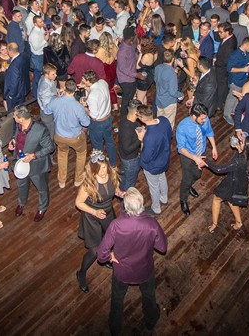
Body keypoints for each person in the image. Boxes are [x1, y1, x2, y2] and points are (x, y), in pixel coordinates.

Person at [96, 187, 167, 335]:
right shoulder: (151, 224)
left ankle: (115, 327)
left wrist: (110, 257)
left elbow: (101, 254)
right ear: (141, 204)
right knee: (148, 295)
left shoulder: (116, 225)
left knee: (117, 299)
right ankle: (151, 320)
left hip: (122, 271)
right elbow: (162, 247)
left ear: (126, 207)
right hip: (144, 270)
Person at [74, 150, 117, 293]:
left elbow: (114, 189)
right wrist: (94, 212)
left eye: (104, 167)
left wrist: (120, 193)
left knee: (109, 240)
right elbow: (78, 203)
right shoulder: (88, 184)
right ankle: (81, 273)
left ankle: (104, 258)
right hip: (92, 217)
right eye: (99, 170)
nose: (103, 172)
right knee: (94, 251)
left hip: (108, 213)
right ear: (93, 171)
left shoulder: (111, 175)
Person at [7, 105, 55, 221]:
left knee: (41, 187)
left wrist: (33, 156)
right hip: (20, 162)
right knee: (21, 184)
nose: (13, 117)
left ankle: (42, 207)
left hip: (36, 165)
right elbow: (17, 136)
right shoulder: (19, 125)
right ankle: (21, 203)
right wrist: (13, 142)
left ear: (21, 118)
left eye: (15, 116)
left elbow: (50, 147)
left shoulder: (40, 130)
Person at [206, 135, 249, 233]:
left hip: (231, 183)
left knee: (216, 199)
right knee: (232, 200)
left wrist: (206, 160)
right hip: (241, 183)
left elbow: (218, 170)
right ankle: (239, 223)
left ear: (246, 148)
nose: (240, 142)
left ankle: (214, 225)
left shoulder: (238, 161)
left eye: (242, 142)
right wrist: (240, 149)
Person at [43, 79, 91, 189]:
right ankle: (78, 179)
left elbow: (46, 111)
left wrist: (57, 98)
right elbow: (86, 122)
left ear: (64, 88)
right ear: (75, 90)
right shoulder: (78, 106)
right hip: (75, 137)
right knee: (81, 154)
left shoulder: (56, 101)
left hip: (59, 136)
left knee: (62, 155)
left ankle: (62, 180)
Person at [175, 103, 218, 216]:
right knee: (186, 179)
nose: (205, 120)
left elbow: (209, 132)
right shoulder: (183, 127)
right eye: (202, 118)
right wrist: (195, 158)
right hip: (188, 156)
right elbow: (181, 148)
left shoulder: (205, 119)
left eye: (205, 117)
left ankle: (189, 186)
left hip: (201, 153)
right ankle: (183, 199)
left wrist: (214, 147)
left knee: (198, 175)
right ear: (194, 116)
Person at [136, 106, 173, 216]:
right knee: (162, 178)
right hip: (164, 160)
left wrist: (142, 140)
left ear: (142, 118)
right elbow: (170, 134)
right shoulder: (164, 120)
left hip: (152, 166)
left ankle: (156, 208)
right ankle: (164, 198)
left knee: (154, 187)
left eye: (138, 115)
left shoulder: (149, 137)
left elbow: (146, 157)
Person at [82, 69, 117, 166]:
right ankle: (113, 164)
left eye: (83, 79)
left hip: (98, 124)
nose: (82, 80)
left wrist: (85, 107)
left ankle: (100, 166)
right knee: (110, 142)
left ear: (88, 81)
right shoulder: (103, 82)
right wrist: (85, 87)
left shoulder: (92, 96)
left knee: (97, 146)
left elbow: (94, 115)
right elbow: (96, 90)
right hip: (108, 118)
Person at [116, 100, 144, 196]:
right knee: (130, 184)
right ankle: (126, 204)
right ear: (137, 112)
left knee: (125, 177)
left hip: (123, 156)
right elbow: (127, 149)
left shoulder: (125, 118)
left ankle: (122, 190)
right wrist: (139, 139)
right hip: (130, 160)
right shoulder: (127, 128)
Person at [2, 41, 30, 111]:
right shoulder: (24, 56)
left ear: (10, 52)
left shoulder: (14, 67)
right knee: (21, 108)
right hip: (23, 88)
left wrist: (10, 95)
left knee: (13, 112)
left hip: (16, 94)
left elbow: (14, 83)